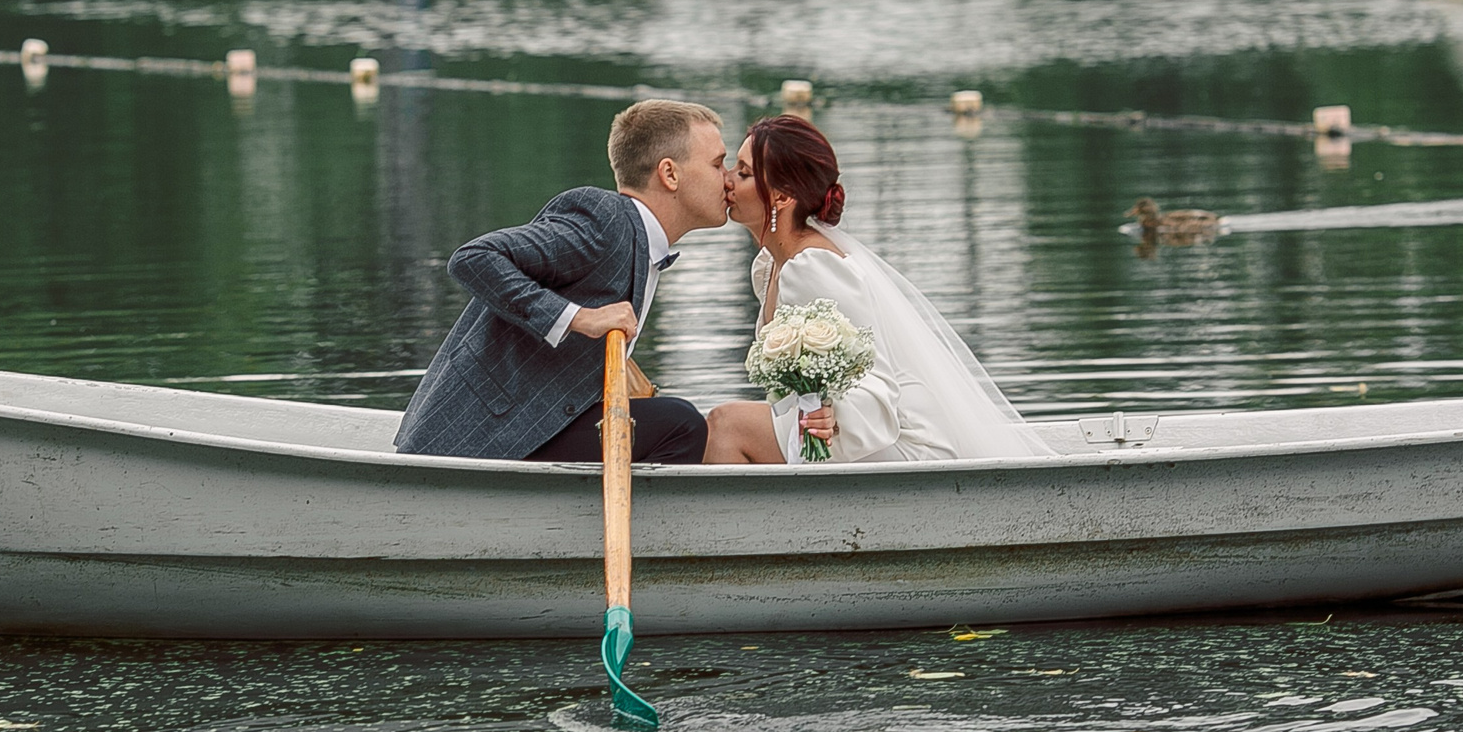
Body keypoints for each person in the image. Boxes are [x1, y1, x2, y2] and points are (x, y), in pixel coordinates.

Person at [701, 115, 1055, 466]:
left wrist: (834, 414)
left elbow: (877, 379)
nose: (727, 179)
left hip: (899, 437)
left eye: (743, 172)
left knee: (726, 425)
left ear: (781, 196)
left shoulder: (813, 267)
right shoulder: (770, 265)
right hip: (839, 433)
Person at [395, 99, 732, 464]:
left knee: (669, 418)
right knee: (681, 424)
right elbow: (474, 258)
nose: (728, 179)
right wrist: (580, 318)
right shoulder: (605, 221)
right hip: (477, 438)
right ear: (670, 174)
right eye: (717, 164)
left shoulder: (642, 243)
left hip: (534, 427)